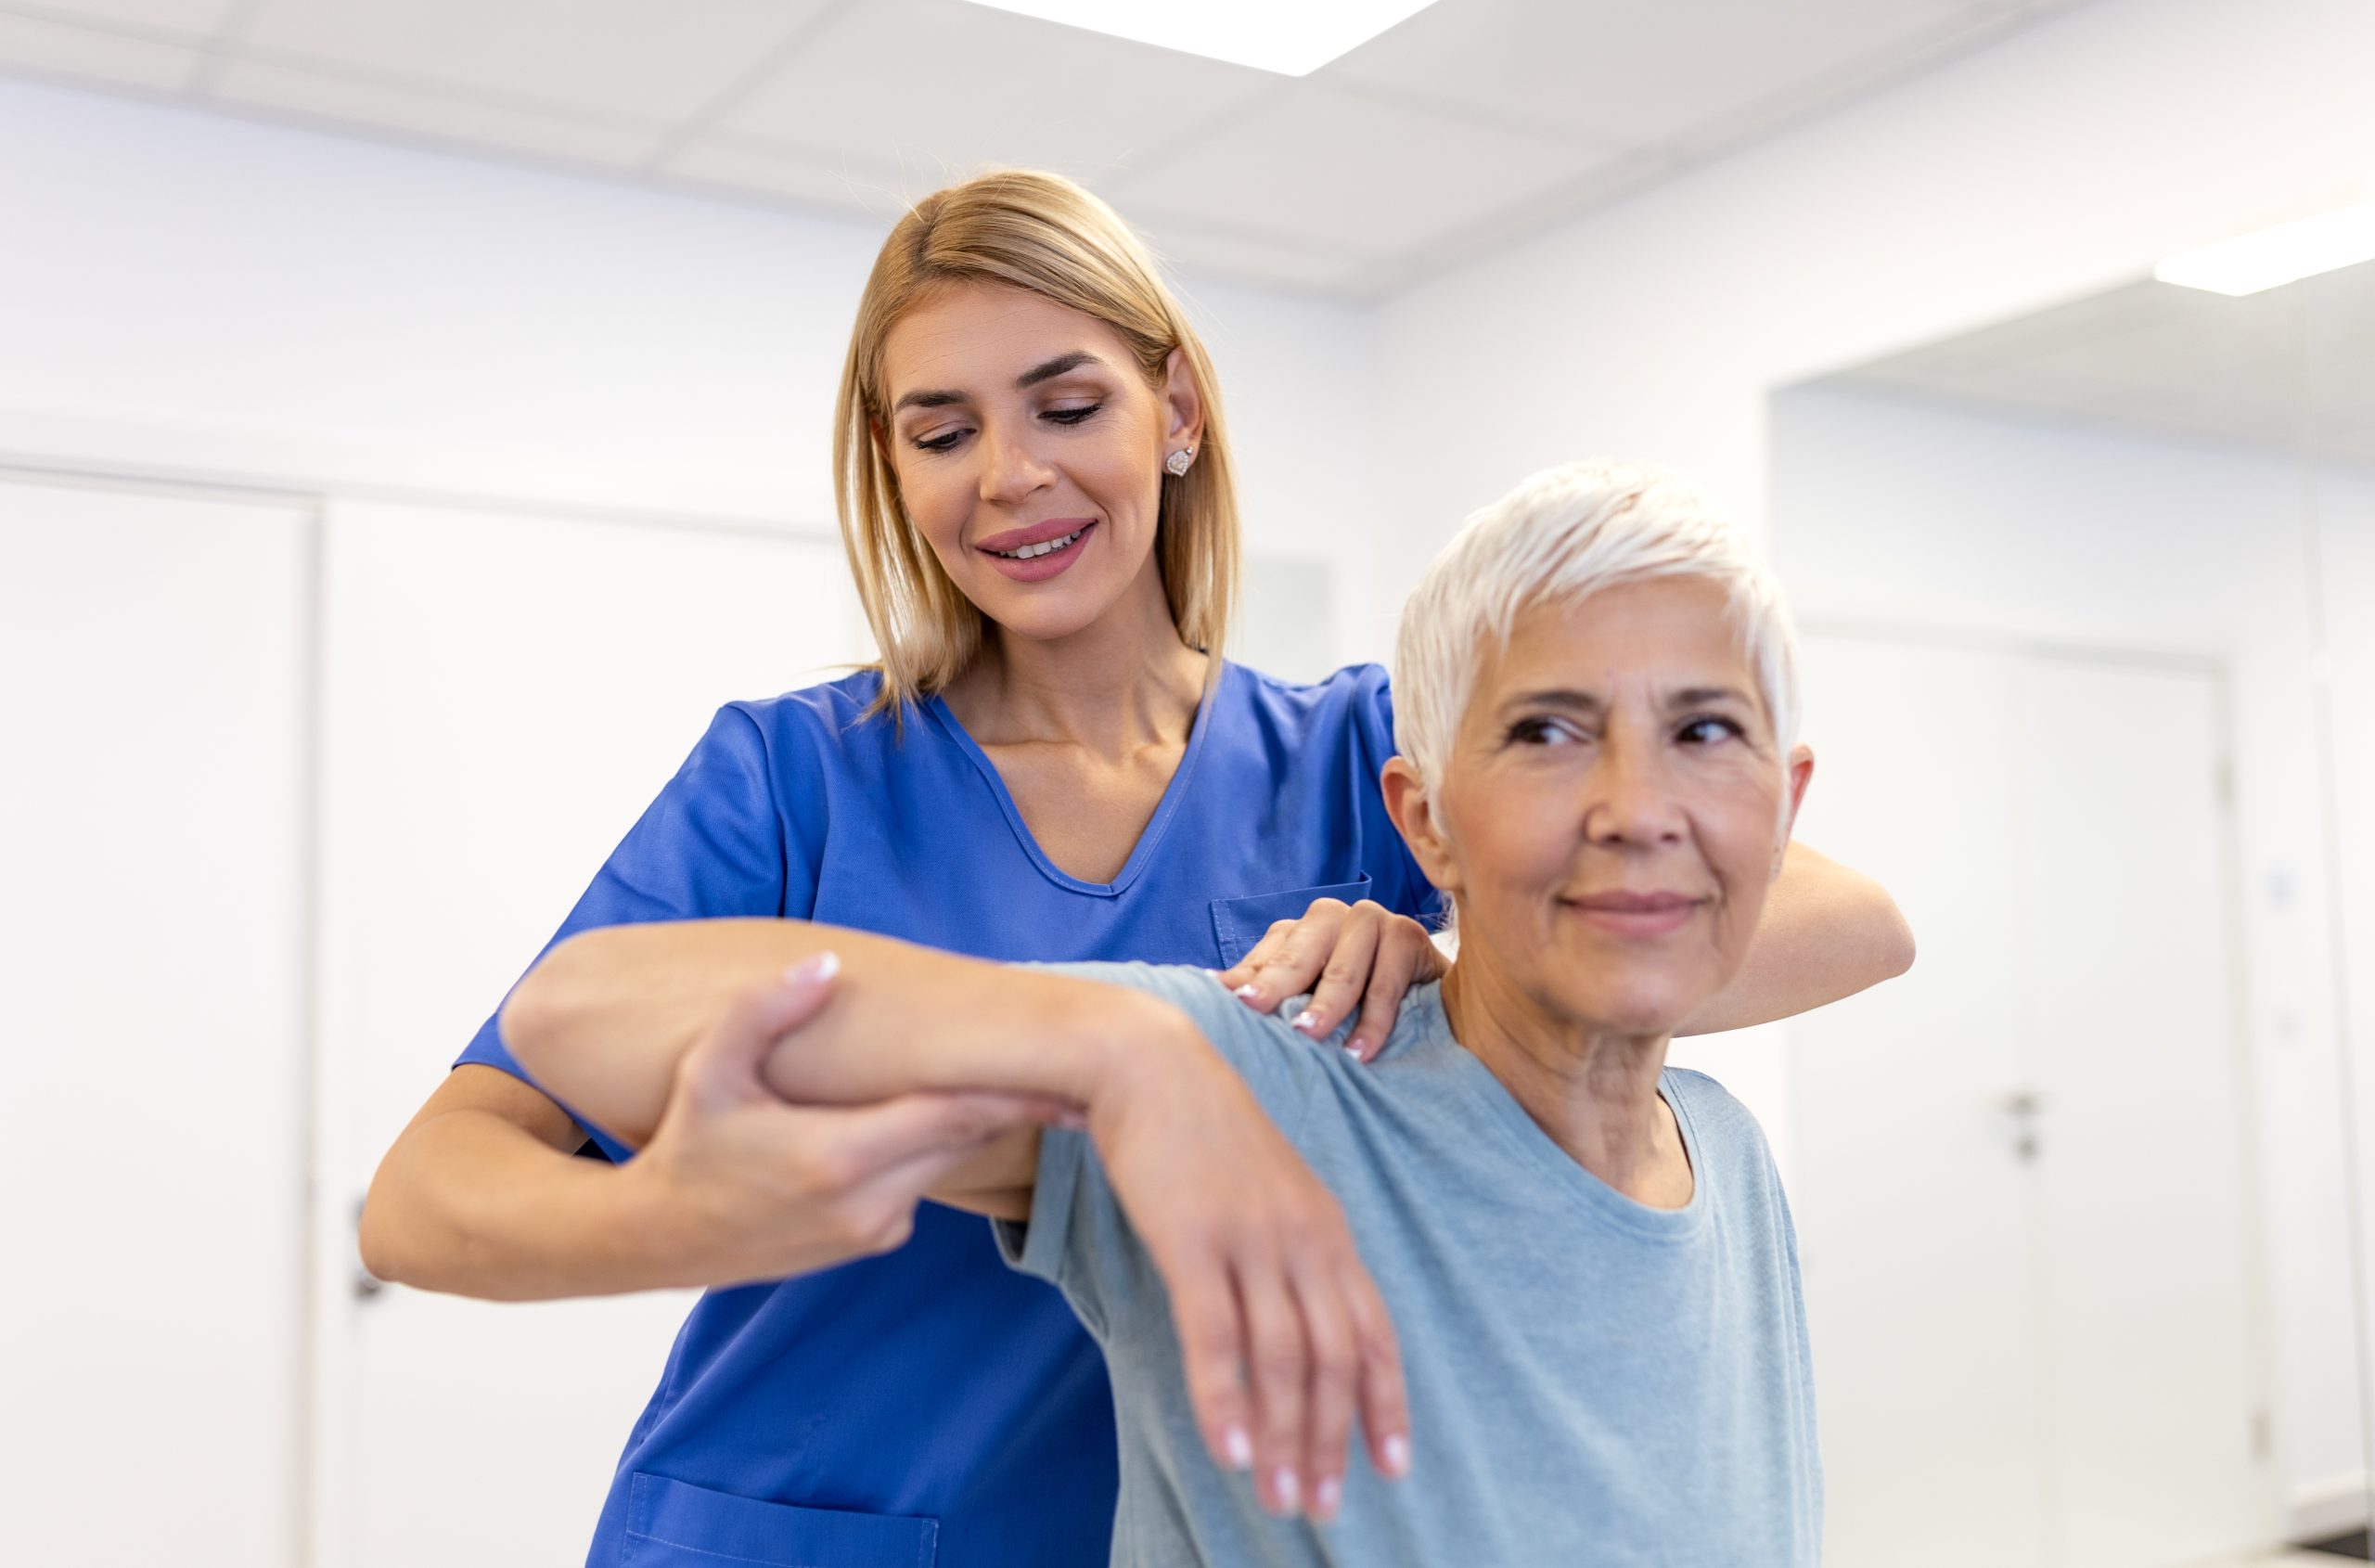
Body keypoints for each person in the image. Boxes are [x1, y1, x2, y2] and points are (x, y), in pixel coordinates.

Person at [360, 172, 1904, 1565]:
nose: (1010, 477)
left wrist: (1454, 950)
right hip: (805, 1524)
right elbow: (425, 1195)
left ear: (1176, 411)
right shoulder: (797, 775)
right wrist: (690, 1218)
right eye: (942, 432)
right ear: (892, 471)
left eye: (1064, 405)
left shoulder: (1355, 759)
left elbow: (1841, 918)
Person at [510, 458, 1830, 1565]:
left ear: (1787, 802)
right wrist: (1122, 1052)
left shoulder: (1727, 1161)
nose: (1636, 808)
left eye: (1705, 732)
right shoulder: (1256, 1073)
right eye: (1546, 731)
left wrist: (1442, 935)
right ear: (1421, 818)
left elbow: (1879, 926)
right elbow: (581, 1016)